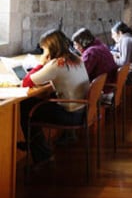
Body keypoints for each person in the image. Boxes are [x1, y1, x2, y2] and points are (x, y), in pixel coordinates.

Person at [20, 28, 90, 167]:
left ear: (50, 48)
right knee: (38, 102)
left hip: (71, 115)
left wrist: (40, 63)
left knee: (27, 106)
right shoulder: (76, 58)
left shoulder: (57, 64)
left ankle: (40, 153)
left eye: (44, 49)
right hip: (83, 111)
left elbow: (26, 82)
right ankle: (36, 146)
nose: (43, 52)